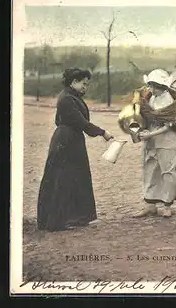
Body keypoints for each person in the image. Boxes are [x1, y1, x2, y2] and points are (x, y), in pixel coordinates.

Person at [37, 68, 114, 231]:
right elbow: (81, 122)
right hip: (66, 141)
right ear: (74, 82)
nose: (86, 87)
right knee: (63, 178)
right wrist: (102, 132)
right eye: (84, 84)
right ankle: (57, 221)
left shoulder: (70, 96)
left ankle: (77, 217)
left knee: (76, 177)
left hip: (71, 139)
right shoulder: (67, 99)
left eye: (87, 84)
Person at [132, 69, 176, 218]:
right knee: (150, 169)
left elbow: (168, 125)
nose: (151, 89)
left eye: (154, 86)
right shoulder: (150, 98)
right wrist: (142, 128)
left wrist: (151, 134)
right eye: (150, 86)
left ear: (162, 86)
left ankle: (167, 204)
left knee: (168, 170)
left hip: (167, 138)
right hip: (152, 139)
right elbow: (146, 115)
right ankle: (150, 205)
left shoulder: (169, 101)